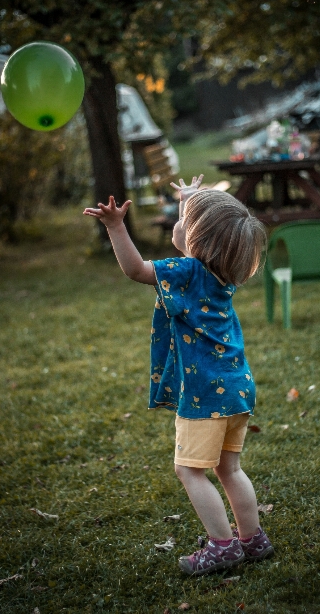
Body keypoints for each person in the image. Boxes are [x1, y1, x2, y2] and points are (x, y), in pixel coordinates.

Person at [83, 175, 274, 576]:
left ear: (197, 242)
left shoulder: (186, 272)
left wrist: (117, 227)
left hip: (205, 393)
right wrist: (191, 199)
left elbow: (136, 270)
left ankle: (223, 547)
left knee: (189, 470)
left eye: (185, 219)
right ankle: (252, 539)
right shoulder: (223, 273)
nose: (178, 221)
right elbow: (201, 237)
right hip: (237, 387)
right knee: (230, 468)